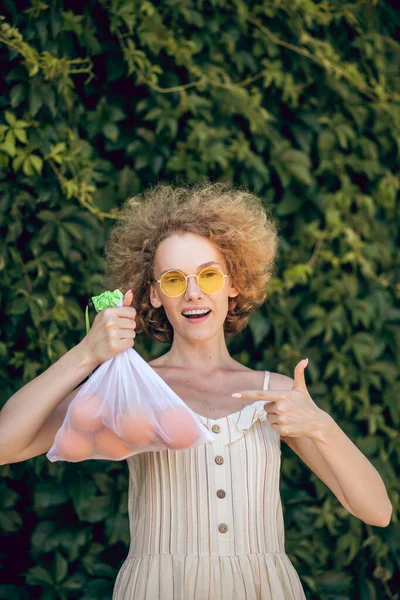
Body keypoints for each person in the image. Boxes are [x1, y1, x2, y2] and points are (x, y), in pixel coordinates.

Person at [2, 181, 386, 598]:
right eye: (172, 280)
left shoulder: (274, 392)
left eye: (208, 274)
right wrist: (85, 354)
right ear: (153, 293)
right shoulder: (130, 386)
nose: (192, 292)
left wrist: (320, 426)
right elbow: (6, 445)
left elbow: (376, 511)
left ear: (233, 282)